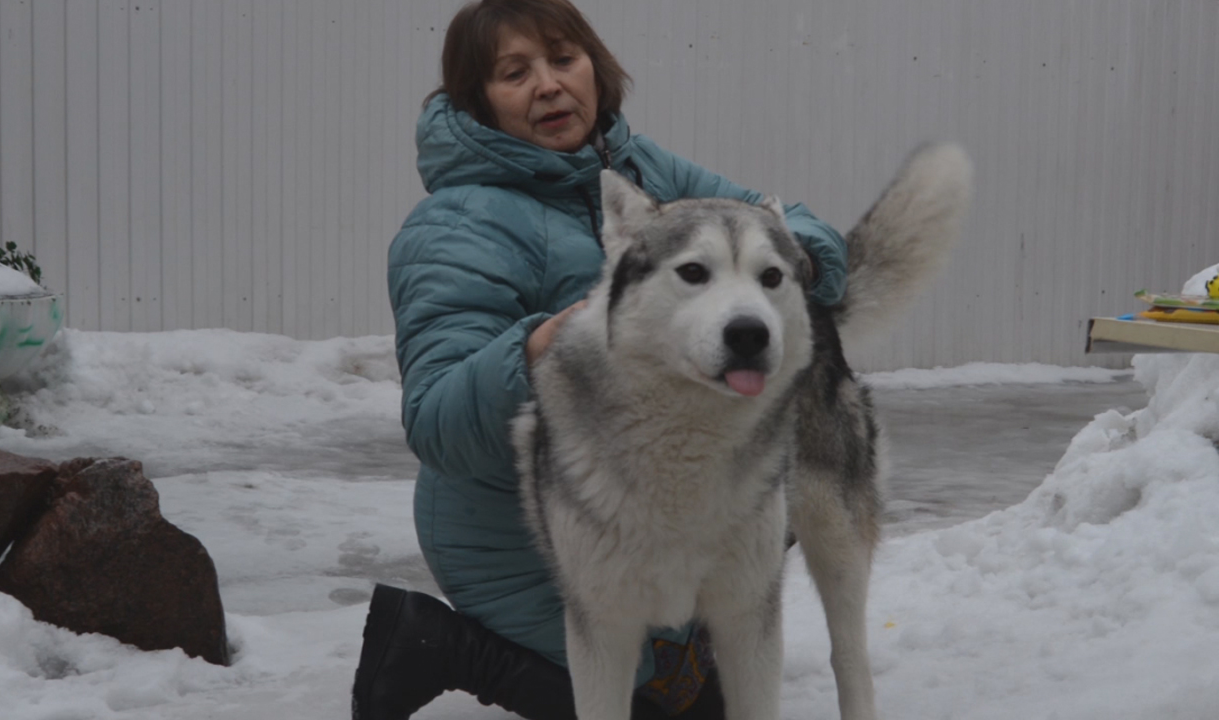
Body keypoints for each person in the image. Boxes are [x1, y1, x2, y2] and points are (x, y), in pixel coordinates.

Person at [352, 1, 848, 718]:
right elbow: (435, 421)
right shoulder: (456, 225)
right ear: (478, 99)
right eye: (514, 73)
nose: (549, 86)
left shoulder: (641, 168)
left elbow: (778, 221)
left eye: (563, 58)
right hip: (520, 528)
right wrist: (536, 348)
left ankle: (682, 643)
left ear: (595, 64)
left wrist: (791, 257)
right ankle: (437, 643)